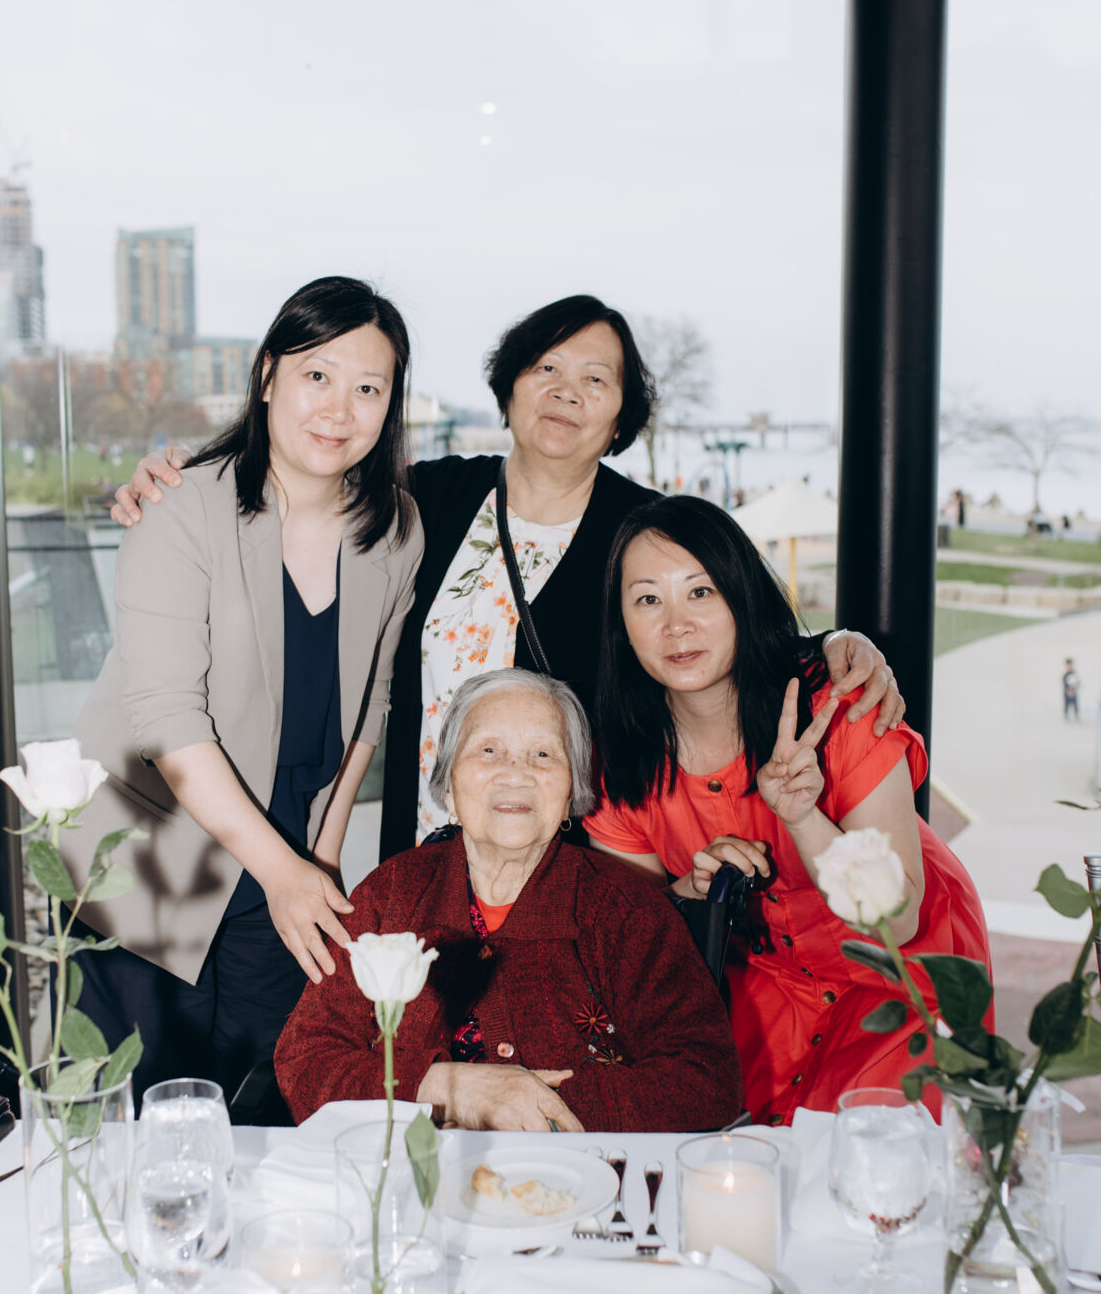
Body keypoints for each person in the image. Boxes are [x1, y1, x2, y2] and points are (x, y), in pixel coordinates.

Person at [114, 295, 906, 860]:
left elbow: (730, 628)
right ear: (510, 385)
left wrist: (841, 642)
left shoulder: (647, 531)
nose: (566, 391)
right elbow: (301, 479)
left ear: (621, 415)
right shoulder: (427, 497)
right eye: (546, 366)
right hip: (421, 848)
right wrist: (176, 471)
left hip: (568, 862)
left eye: (596, 380)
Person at [60, 276, 424, 1118]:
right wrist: (285, 870)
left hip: (288, 850)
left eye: (368, 388)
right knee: (142, 1112)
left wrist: (320, 855)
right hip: (152, 849)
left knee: (275, 1099)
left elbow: (373, 701)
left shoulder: (396, 529)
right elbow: (168, 719)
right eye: (317, 375)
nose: (339, 409)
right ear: (267, 376)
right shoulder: (182, 505)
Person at [584, 495, 991, 1127]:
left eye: (700, 592)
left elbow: (900, 916)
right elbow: (629, 938)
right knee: (730, 1149)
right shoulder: (620, 765)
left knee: (861, 1145)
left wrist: (804, 818)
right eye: (647, 600)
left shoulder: (840, 710)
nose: (676, 625)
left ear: (742, 596)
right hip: (764, 983)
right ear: (621, 623)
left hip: (899, 969)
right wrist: (688, 890)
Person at [275, 668, 743, 1132]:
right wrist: (446, 1090)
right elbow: (305, 1059)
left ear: (572, 789)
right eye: (488, 750)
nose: (516, 773)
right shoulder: (392, 892)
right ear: (449, 784)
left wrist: (534, 1106)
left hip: (572, 1173)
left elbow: (707, 1080)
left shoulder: (625, 910)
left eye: (543, 754)